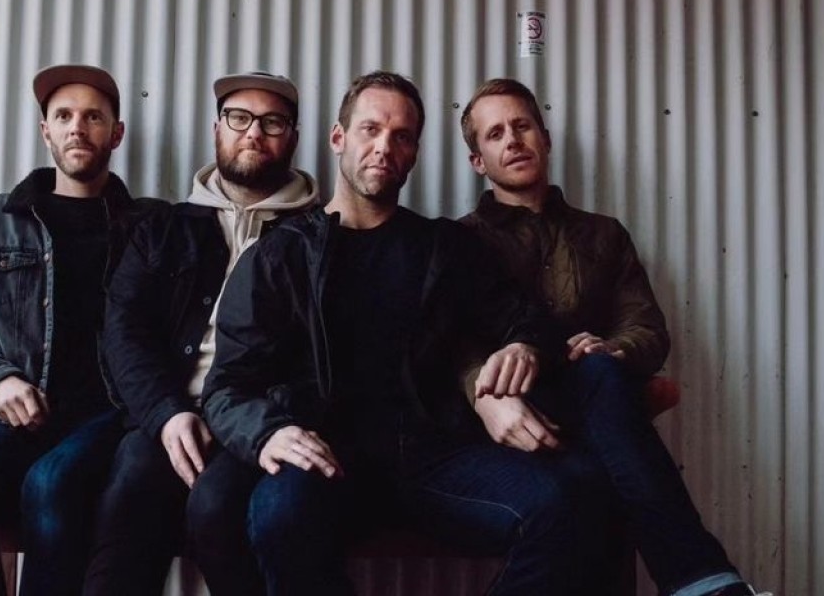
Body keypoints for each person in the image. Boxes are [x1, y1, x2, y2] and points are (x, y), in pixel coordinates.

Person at [194, 70, 618, 596]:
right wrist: (268, 434)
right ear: (338, 137)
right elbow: (228, 386)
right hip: (327, 454)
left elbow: (527, 317)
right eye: (370, 129)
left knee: (570, 500)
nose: (384, 147)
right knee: (279, 517)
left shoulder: (444, 247)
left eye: (401, 136)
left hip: (431, 456)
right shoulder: (279, 257)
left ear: (415, 152)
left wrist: (523, 345)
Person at [457, 77, 771, 596]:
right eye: (495, 134)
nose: (512, 140)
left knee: (600, 382)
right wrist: (483, 391)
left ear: (545, 138)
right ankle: (706, 583)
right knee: (598, 486)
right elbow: (446, 346)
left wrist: (615, 347)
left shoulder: (602, 234)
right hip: (510, 417)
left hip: (597, 405)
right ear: (477, 162)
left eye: (522, 125)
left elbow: (646, 327)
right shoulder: (459, 240)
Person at [82, 72, 319, 596]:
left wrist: (261, 421)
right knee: (130, 495)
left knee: (219, 511)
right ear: (217, 130)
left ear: (293, 139)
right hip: (169, 412)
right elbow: (124, 330)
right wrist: (167, 414)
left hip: (260, 419)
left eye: (272, 122)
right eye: (239, 118)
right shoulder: (162, 228)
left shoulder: (316, 236)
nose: (253, 132)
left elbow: (320, 356)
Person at [0, 64, 157, 596]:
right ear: (45, 130)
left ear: (116, 133)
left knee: (51, 485)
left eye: (93, 117)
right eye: (64, 116)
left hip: (109, 416)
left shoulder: (150, 225)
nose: (78, 127)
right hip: (13, 413)